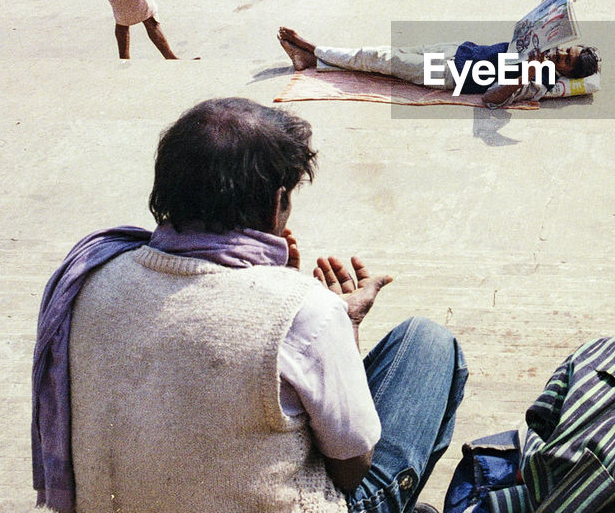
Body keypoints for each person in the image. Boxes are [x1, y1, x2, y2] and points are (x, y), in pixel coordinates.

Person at [31, 98, 466, 513]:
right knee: (427, 344)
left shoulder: (90, 276)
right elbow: (353, 468)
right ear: (278, 201)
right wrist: (341, 328)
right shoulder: (305, 310)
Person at [277, 0, 600, 107]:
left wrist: (521, 76)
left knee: (379, 58)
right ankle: (313, 59)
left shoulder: (540, 82)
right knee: (386, 54)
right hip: (459, 51)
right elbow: (529, 26)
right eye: (565, 49)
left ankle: (313, 50)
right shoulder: (544, 51)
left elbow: (491, 100)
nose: (559, 53)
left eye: (565, 59)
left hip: (449, 73)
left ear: (566, 72)